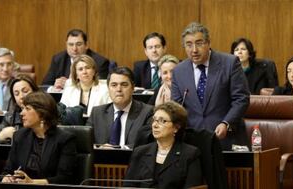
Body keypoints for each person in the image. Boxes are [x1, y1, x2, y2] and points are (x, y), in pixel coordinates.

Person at [171, 22, 250, 150]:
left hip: (226, 139)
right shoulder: (179, 71)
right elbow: (176, 107)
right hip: (192, 144)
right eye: (189, 44)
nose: (194, 50)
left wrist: (226, 123)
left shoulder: (229, 63)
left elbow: (241, 99)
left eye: (199, 43)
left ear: (208, 43)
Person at [2, 91, 77, 184]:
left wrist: (32, 182)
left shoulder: (65, 139)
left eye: (27, 108)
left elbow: (65, 178)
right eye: (22, 108)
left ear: (42, 114)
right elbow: (8, 170)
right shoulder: (20, 136)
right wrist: (7, 177)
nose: (22, 113)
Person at [125, 101, 203, 188]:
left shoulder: (190, 154)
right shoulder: (140, 152)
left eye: (162, 121)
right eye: (154, 120)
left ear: (176, 127)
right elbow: (128, 185)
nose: (155, 125)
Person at [86, 67, 153, 148]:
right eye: (114, 85)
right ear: (108, 88)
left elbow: (148, 144)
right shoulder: (97, 112)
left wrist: (121, 149)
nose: (118, 89)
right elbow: (86, 143)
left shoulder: (147, 112)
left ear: (132, 88)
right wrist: (99, 148)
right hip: (102, 160)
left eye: (124, 85)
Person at [42, 29, 110, 91]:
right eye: (71, 44)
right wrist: (53, 88)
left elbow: (100, 88)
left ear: (86, 45)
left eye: (79, 44)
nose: (74, 49)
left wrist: (68, 84)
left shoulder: (100, 62)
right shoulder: (58, 59)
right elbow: (44, 86)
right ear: (66, 45)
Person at [0, 74, 39, 141]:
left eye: (25, 91)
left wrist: (16, 134)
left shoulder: (46, 112)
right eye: (16, 94)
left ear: (35, 91)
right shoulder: (10, 116)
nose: (21, 96)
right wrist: (1, 136)